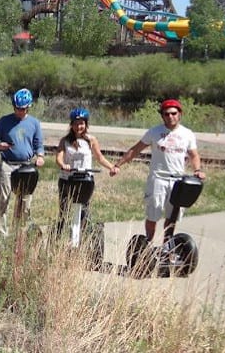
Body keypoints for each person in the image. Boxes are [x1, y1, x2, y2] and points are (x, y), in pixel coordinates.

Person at [112, 99, 205, 247]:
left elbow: (194, 155)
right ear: (162, 116)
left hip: (177, 180)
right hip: (158, 178)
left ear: (180, 114)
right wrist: (118, 165)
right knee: (153, 214)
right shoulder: (154, 132)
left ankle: (166, 248)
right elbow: (136, 149)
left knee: (172, 216)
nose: (170, 117)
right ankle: (147, 245)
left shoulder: (187, 134)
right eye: (166, 114)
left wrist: (197, 170)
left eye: (174, 113)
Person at [54, 107, 117, 244]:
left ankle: (83, 241)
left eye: (81, 123)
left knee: (84, 211)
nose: (79, 126)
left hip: (85, 180)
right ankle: (58, 240)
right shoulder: (65, 140)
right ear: (71, 125)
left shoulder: (91, 140)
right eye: (76, 123)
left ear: (86, 124)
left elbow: (99, 157)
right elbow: (59, 157)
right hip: (67, 179)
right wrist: (63, 165)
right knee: (64, 210)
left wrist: (111, 167)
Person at [0, 88, 45, 235]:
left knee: (24, 201)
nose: (20, 112)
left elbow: (39, 144)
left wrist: (40, 156)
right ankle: (1, 233)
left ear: (28, 107)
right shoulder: (5, 121)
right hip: (7, 164)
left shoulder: (34, 123)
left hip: (26, 166)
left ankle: (19, 232)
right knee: (4, 198)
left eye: (23, 109)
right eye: (17, 108)